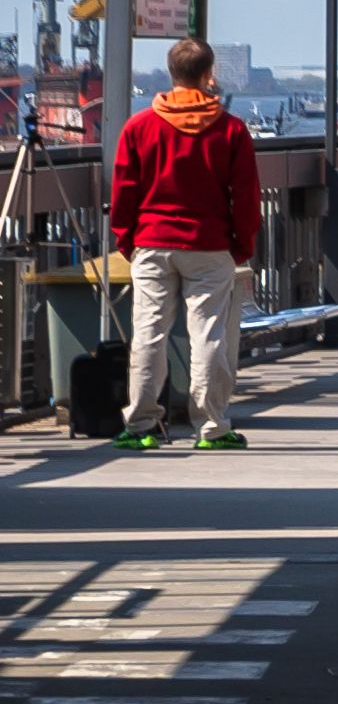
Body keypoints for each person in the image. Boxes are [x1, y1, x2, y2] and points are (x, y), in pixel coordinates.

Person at [106, 36, 258, 450]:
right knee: (207, 335)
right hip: (209, 246)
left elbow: (123, 191)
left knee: (148, 333)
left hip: (152, 243)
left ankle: (139, 426)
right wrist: (241, 245)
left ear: (170, 73)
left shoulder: (139, 127)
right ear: (209, 75)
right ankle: (211, 427)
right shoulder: (231, 130)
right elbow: (245, 196)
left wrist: (127, 239)